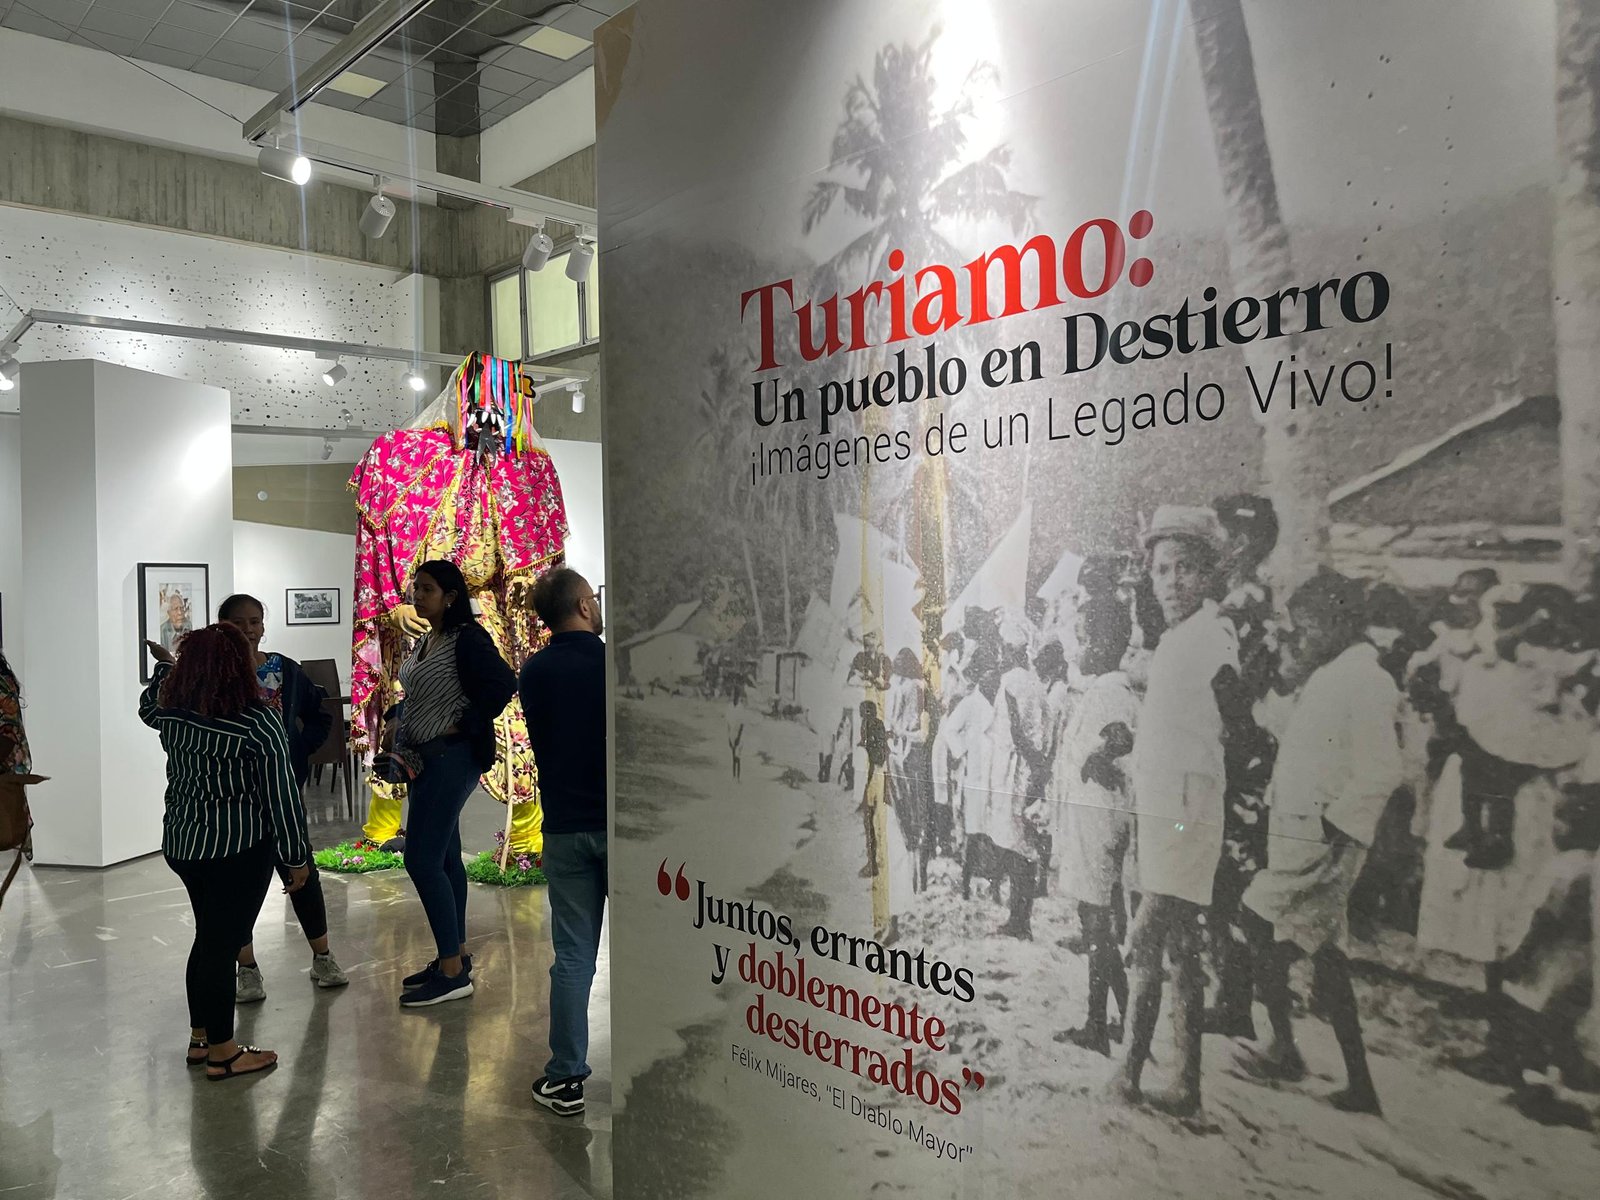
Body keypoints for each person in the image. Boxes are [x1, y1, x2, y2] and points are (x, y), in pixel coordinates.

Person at [1241, 569, 1403, 1116]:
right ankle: (1360, 1085)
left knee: (1258, 921)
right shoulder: (1333, 675)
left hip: (1326, 839)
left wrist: (1340, 823)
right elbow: (1302, 737)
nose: (1300, 640)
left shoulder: (1367, 679)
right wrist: (1260, 700)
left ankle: (1284, 1049)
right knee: (1329, 957)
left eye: (1307, 629)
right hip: (1305, 833)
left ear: (1338, 623)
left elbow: (1383, 768)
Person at [139, 625, 311, 1081]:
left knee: (208, 939)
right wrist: (296, 857)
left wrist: (167, 669)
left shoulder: (174, 713)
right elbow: (281, 796)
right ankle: (224, 1053)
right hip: (237, 850)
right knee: (221, 946)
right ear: (238, 666)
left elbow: (147, 706)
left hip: (184, 844)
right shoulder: (257, 721)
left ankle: (201, 1039)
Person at [1115, 505, 1234, 1117]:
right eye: (1162, 570)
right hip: (1165, 814)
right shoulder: (1175, 641)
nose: (1171, 582)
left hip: (1188, 819)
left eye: (1185, 568)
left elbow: (1231, 721)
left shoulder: (1212, 636)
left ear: (1210, 574)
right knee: (1181, 951)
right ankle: (1184, 1082)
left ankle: (1129, 1072)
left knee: (1144, 940)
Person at [389, 560, 517, 1008]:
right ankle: (455, 955)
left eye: (427, 589)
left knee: (421, 861)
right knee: (443, 859)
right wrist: (399, 717)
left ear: (450, 597)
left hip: (451, 757)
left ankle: (451, 972)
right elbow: (420, 692)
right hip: (425, 759)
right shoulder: (430, 638)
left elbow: (503, 683)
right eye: (416, 587)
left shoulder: (467, 638)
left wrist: (466, 722)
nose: (417, 595)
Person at [216, 594, 348, 997]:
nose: (248, 630)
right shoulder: (214, 674)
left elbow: (320, 713)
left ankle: (322, 957)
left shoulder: (284, 669)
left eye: (255, 621)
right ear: (222, 626)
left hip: (283, 791)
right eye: (239, 622)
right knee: (238, 886)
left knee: (301, 872)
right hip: (235, 799)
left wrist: (299, 750)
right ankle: (247, 969)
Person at [519, 567, 608, 1116]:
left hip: (565, 828)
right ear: (583, 604)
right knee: (646, 950)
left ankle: (567, 1077)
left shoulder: (534, 671)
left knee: (573, 956)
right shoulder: (614, 663)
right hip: (622, 827)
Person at [1047, 595, 1137, 1055]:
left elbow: (1121, 738)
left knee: (1097, 921)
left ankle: (1101, 1026)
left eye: (1082, 638)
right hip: (1093, 816)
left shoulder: (1109, 691)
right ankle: (1124, 1020)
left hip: (1099, 819)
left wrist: (1095, 761)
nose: (1076, 648)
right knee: (1094, 919)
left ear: (1102, 643)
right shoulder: (1103, 687)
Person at [159, 587, 193, 656]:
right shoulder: (162, 631)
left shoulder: (190, 626)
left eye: (181, 608)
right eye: (175, 609)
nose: (180, 612)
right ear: (169, 613)